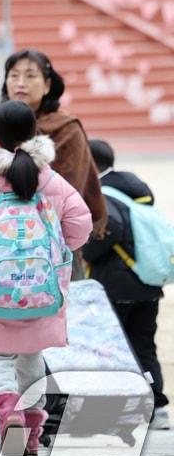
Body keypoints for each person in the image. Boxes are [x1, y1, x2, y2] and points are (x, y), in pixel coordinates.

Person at [0, 100, 93, 456]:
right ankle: (30, 433)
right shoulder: (50, 179)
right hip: (41, 294)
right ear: (33, 134)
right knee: (31, 358)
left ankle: (7, 410)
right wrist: (58, 251)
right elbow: (81, 225)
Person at [82, 139, 169, 430]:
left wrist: (86, 253)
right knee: (144, 346)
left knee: (111, 348)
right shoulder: (134, 189)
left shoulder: (103, 193)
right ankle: (157, 408)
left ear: (90, 163)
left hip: (115, 285)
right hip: (146, 283)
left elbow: (112, 228)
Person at [0, 49, 106, 238]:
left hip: (55, 238)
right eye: (14, 75)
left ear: (47, 85)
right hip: (1, 237)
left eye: (30, 75)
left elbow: (71, 191)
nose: (21, 82)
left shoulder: (67, 129)